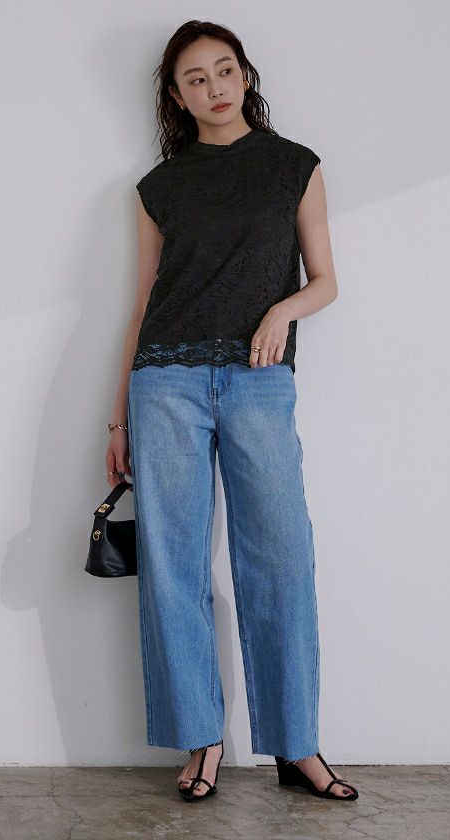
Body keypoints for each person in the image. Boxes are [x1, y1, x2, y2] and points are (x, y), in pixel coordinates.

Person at [105, 20, 359, 804]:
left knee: (281, 558)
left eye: (223, 70)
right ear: (176, 97)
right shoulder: (159, 187)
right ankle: (202, 739)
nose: (213, 87)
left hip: (258, 380)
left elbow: (326, 279)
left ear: (244, 75)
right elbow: (143, 303)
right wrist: (117, 419)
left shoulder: (294, 167)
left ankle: (297, 744)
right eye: (195, 78)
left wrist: (283, 310)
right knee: (173, 566)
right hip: (165, 384)